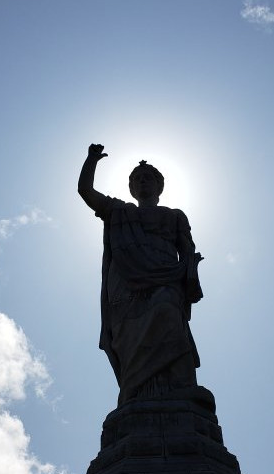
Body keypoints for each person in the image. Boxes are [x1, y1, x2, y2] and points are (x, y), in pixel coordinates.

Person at [78, 144, 204, 405]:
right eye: (137, 179)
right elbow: (86, 191)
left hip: (168, 278)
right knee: (129, 336)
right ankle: (134, 394)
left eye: (148, 177)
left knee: (169, 315)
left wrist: (190, 272)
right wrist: (91, 160)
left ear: (160, 186)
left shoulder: (174, 216)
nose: (142, 181)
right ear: (131, 188)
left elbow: (188, 250)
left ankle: (180, 388)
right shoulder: (119, 212)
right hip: (125, 284)